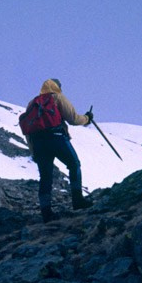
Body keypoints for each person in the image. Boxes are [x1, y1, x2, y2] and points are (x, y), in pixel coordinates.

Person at [27, 78, 94, 222]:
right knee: (74, 164)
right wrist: (87, 118)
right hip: (56, 138)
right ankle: (78, 201)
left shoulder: (32, 103)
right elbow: (73, 119)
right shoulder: (57, 97)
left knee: (45, 177)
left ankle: (46, 213)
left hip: (38, 143)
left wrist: (33, 150)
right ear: (57, 87)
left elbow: (28, 129)